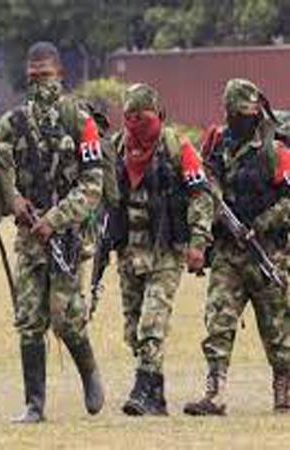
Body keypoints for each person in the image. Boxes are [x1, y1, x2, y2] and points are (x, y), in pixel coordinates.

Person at [0, 41, 105, 423]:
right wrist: (14, 200)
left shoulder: (80, 120)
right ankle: (34, 405)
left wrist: (55, 219)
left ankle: (89, 372)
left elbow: (92, 185)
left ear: (60, 74)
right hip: (29, 235)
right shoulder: (12, 123)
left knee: (65, 317)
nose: (40, 83)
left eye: (46, 75)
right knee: (28, 319)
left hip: (67, 236)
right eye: (33, 77)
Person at [184, 79, 290, 416]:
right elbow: (204, 191)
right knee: (218, 322)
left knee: (278, 328)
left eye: (245, 114)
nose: (240, 120)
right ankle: (214, 392)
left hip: (267, 253)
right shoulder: (217, 144)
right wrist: (201, 239)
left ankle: (285, 389)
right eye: (234, 113)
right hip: (228, 254)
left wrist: (262, 223)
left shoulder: (275, 150)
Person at [108, 83, 213, 415]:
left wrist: (198, 243)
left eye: (142, 116)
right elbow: (105, 197)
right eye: (129, 116)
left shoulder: (177, 147)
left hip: (165, 249)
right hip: (129, 251)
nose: (136, 123)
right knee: (133, 330)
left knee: (151, 323)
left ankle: (142, 390)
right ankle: (156, 394)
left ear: (158, 115)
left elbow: (201, 197)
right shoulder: (118, 148)